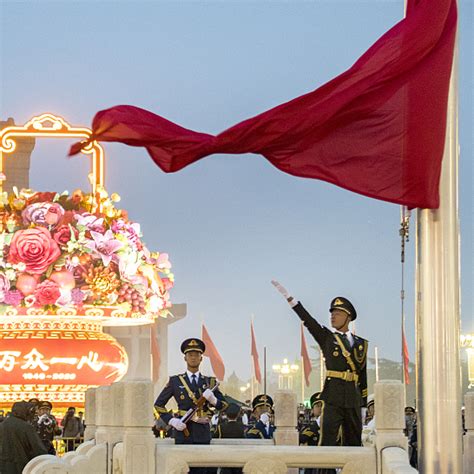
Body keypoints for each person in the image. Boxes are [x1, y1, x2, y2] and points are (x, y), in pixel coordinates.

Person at [272, 281, 368, 454]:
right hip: (333, 396)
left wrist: (363, 405)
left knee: (354, 443)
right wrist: (291, 300)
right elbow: (309, 321)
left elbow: (362, 376)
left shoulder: (361, 344)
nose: (333, 316)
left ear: (348, 317)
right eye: (332, 313)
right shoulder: (327, 338)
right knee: (327, 443)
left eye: (337, 313)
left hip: (353, 397)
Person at [154, 337, 228, 474]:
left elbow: (224, 406)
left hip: (203, 432)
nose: (193, 358)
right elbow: (158, 405)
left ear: (201, 359)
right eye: (190, 355)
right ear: (185, 358)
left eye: (197, 355)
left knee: (202, 469)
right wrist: (172, 420)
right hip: (183, 431)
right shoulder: (175, 381)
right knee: (183, 469)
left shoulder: (210, 382)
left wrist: (213, 400)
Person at [0, 401, 47, 473]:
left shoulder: (3, 425)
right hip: (22, 464)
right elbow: (38, 448)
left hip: (4, 464)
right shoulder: (26, 427)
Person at [213, 403, 245, 474]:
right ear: (238, 414)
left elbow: (214, 438)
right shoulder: (242, 427)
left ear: (226, 415)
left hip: (225, 457)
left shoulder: (221, 427)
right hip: (238, 458)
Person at [299, 392, 323, 474]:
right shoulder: (309, 426)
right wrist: (317, 424)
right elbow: (302, 439)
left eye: (323, 406)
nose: (321, 408)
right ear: (312, 410)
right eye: (318, 406)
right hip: (312, 466)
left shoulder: (334, 426)